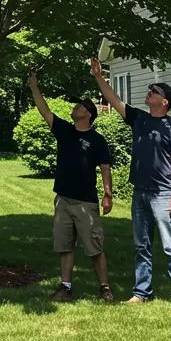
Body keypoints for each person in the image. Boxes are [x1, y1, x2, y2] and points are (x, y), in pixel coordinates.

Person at [89, 57, 171, 310]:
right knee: (141, 245)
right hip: (140, 192)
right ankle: (141, 292)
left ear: (164, 102)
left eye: (154, 91)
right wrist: (98, 77)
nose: (149, 93)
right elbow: (114, 100)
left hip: (163, 193)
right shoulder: (139, 119)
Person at [28, 69, 114, 302]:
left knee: (94, 247)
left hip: (86, 201)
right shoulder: (64, 131)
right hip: (63, 199)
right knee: (65, 245)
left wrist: (108, 195)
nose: (75, 108)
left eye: (80, 107)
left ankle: (104, 287)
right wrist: (34, 86)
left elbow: (105, 168)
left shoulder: (97, 140)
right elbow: (44, 110)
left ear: (88, 114)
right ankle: (65, 287)